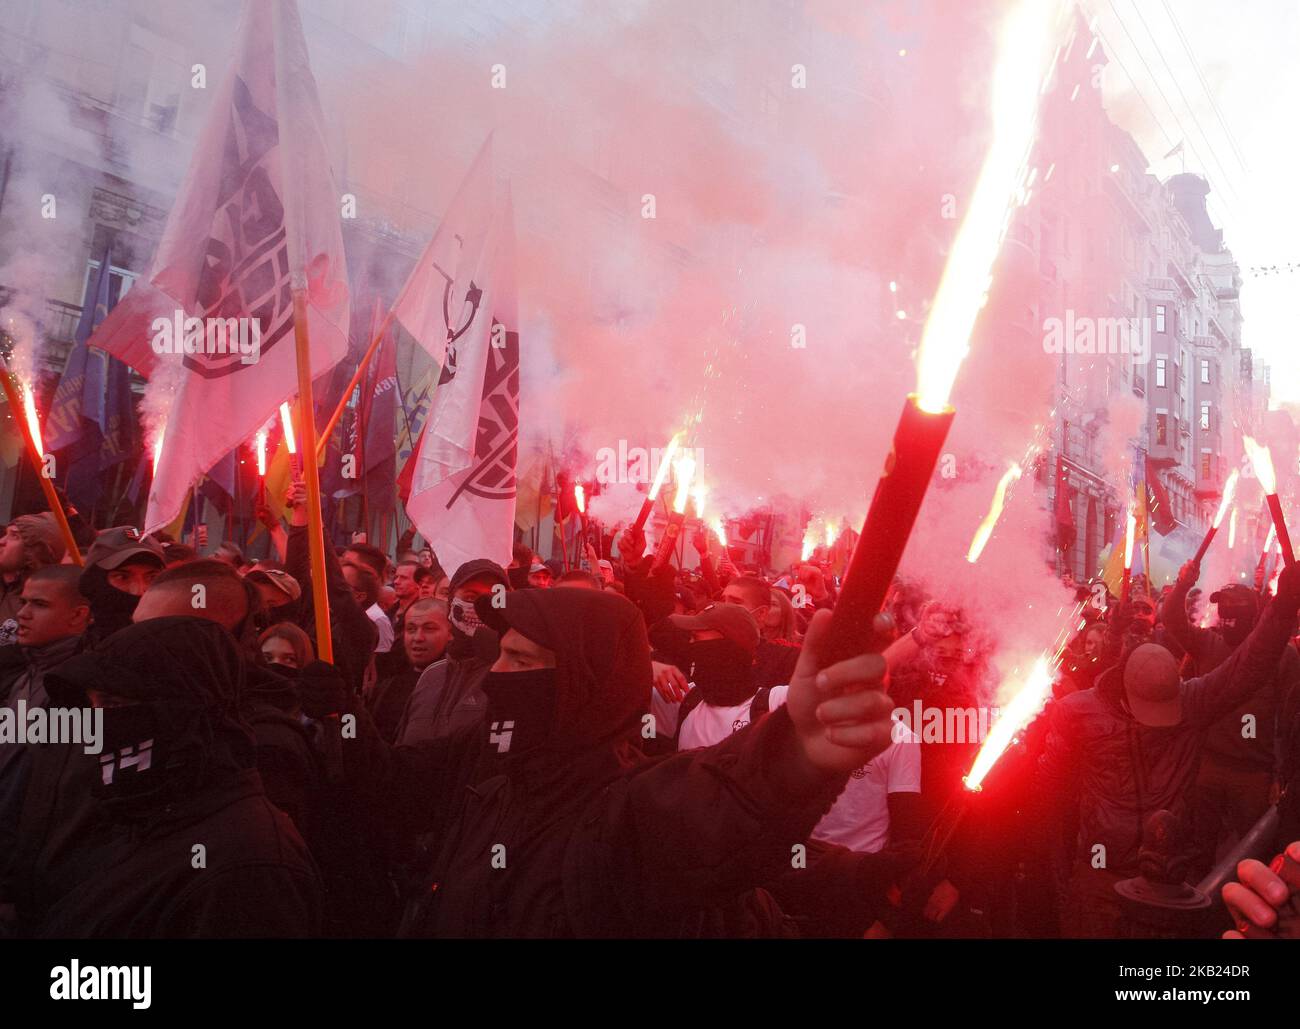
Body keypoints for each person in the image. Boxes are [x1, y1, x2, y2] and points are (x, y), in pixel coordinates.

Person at [298, 586, 897, 937]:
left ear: (582, 683)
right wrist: (342, 716)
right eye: (499, 657)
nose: (495, 680)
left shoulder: (620, 813)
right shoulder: (494, 767)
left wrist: (795, 750)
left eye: (521, 662)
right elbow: (394, 787)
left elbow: (717, 803)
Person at [1037, 561, 1300, 938]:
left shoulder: (1191, 702)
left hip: (1167, 872)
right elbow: (1051, 789)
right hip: (1099, 866)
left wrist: (1282, 607)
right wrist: (1062, 866)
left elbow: (1249, 665)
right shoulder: (1078, 712)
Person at [21, 617, 322, 937]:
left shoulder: (247, 870)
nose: (95, 726)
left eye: (113, 704)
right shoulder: (144, 807)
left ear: (186, 712)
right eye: (91, 706)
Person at [1161, 559, 1298, 878]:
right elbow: (1171, 619)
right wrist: (1183, 584)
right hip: (1209, 765)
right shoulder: (1208, 642)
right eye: (1222, 609)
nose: (1225, 617)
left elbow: (1289, 718)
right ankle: (1195, 906)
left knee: (1252, 851)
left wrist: (1280, 774)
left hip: (1253, 773)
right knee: (1199, 845)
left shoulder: (1282, 655)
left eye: (1233, 610)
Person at [393, 560, 508, 746]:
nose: (483, 606)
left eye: (495, 598)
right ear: (451, 602)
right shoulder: (431, 675)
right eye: (471, 597)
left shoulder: (508, 674)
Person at [78, 527, 166, 648]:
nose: (139, 591)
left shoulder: (179, 649)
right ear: (95, 581)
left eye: (151, 578)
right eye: (122, 577)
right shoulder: (66, 650)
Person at [720, 575, 801, 689]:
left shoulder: (787, 658)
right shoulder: (708, 647)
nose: (724, 607)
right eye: (723, 600)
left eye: (736, 602)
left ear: (762, 613)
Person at [0, 514, 68, 647]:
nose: (1, 541)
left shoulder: (46, 604)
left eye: (15, 536)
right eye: (5, 534)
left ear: (36, 550)